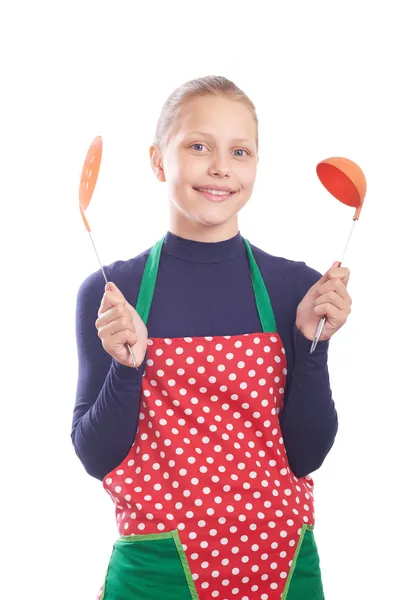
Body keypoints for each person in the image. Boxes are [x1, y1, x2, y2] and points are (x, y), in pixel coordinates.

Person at [71, 75, 351, 600]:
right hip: (157, 570)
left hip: (283, 567)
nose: (221, 166)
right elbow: (96, 457)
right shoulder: (113, 294)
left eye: (240, 151)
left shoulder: (295, 289)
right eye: (199, 146)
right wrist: (126, 367)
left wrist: (313, 348)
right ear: (158, 161)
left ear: (255, 166)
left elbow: (306, 454)